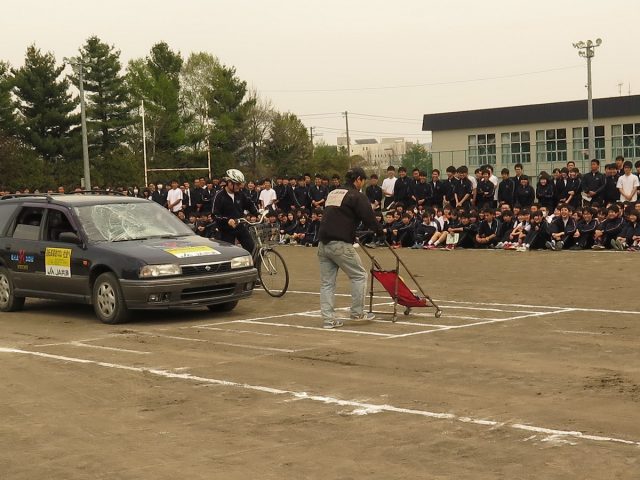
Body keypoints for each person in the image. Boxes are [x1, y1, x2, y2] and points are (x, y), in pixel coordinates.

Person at [317, 167, 382, 329]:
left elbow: (337, 214)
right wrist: (380, 233)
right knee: (359, 275)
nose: (363, 184)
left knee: (327, 283)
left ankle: (328, 319)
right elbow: (369, 217)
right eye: (363, 180)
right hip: (339, 243)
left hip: (323, 243)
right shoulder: (356, 195)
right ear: (358, 179)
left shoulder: (333, 193)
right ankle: (357, 312)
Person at [212, 169, 259, 253]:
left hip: (240, 225)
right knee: (229, 253)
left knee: (252, 249)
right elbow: (215, 214)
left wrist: (257, 214)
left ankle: (254, 265)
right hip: (226, 229)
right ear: (229, 182)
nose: (240, 186)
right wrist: (227, 220)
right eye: (237, 184)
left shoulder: (240, 194)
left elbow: (250, 204)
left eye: (240, 184)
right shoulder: (219, 196)